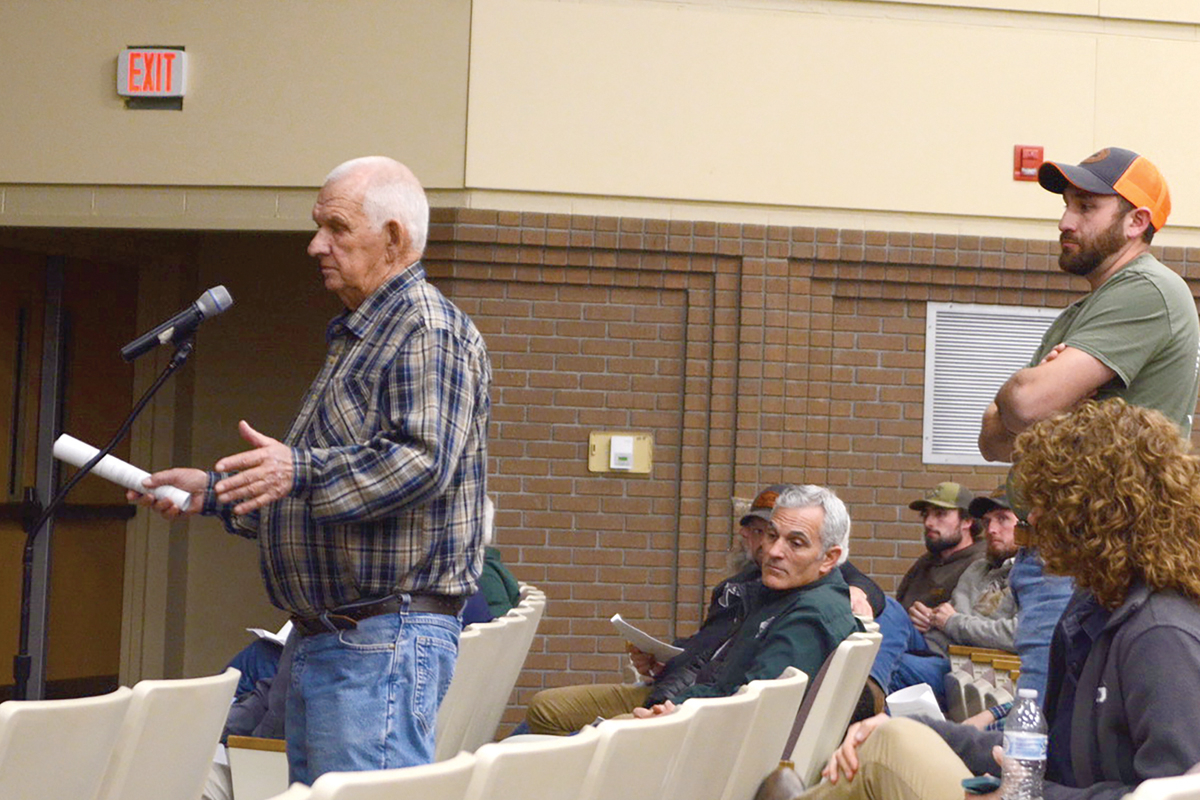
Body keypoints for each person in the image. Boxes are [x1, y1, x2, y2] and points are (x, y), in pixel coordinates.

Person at [129, 156, 492, 784]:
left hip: (380, 641)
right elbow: (327, 487)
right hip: (336, 641)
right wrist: (215, 494)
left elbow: (420, 463)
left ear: (394, 238)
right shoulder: (365, 333)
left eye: (335, 227)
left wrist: (295, 469)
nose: (315, 244)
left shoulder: (426, 330)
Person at [787, 399, 1200, 800]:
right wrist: (931, 730)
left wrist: (1022, 796)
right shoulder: (1092, 611)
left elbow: (1174, 792)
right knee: (894, 734)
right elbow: (1040, 755)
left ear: (1096, 512)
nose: (1032, 520)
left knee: (888, 754)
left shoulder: (1159, 634)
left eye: (1045, 503)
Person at [525, 484, 860, 733]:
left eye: (795, 542)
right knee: (546, 719)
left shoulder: (809, 614)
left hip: (706, 735)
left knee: (580, 737)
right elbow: (724, 674)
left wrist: (678, 711)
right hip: (695, 709)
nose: (773, 550)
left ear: (829, 558)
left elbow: (754, 707)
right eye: (771, 535)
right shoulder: (779, 593)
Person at [980, 147, 1200, 462]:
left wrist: (1024, 401)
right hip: (1060, 511)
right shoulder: (1081, 311)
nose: (1064, 222)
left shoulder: (1149, 290)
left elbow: (1025, 403)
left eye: (1085, 206)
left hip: (1109, 511)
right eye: (1067, 205)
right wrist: (1039, 408)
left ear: (1136, 222)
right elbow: (991, 445)